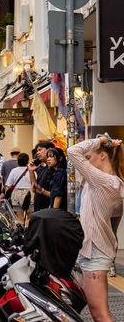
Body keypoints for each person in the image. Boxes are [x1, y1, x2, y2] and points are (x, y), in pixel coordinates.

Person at [67, 134, 124, 322]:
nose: (86, 162)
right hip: (92, 250)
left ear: (103, 156)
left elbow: (73, 151)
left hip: (96, 253)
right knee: (97, 313)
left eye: (89, 157)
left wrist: (100, 141)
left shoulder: (106, 181)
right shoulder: (103, 181)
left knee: (100, 314)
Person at [3, 152, 32, 223]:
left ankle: (20, 232)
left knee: (19, 218)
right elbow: (35, 182)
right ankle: (28, 232)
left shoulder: (14, 171)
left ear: (18, 162)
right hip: (30, 194)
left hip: (17, 194)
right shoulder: (31, 171)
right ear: (27, 161)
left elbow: (8, 185)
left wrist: (7, 196)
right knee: (30, 217)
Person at [29, 140, 56, 212]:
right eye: (37, 151)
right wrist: (31, 171)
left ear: (49, 150)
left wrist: (42, 191)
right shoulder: (42, 169)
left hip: (48, 210)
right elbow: (35, 188)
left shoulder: (55, 170)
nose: (37, 153)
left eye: (40, 150)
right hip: (39, 207)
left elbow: (56, 194)